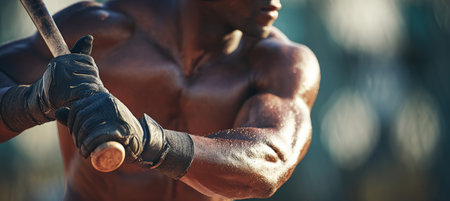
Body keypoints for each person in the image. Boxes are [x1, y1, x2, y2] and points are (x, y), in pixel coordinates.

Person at [0, 0, 320, 200]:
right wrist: (33, 101)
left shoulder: (280, 64)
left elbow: (271, 161)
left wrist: (148, 141)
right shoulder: (101, 29)